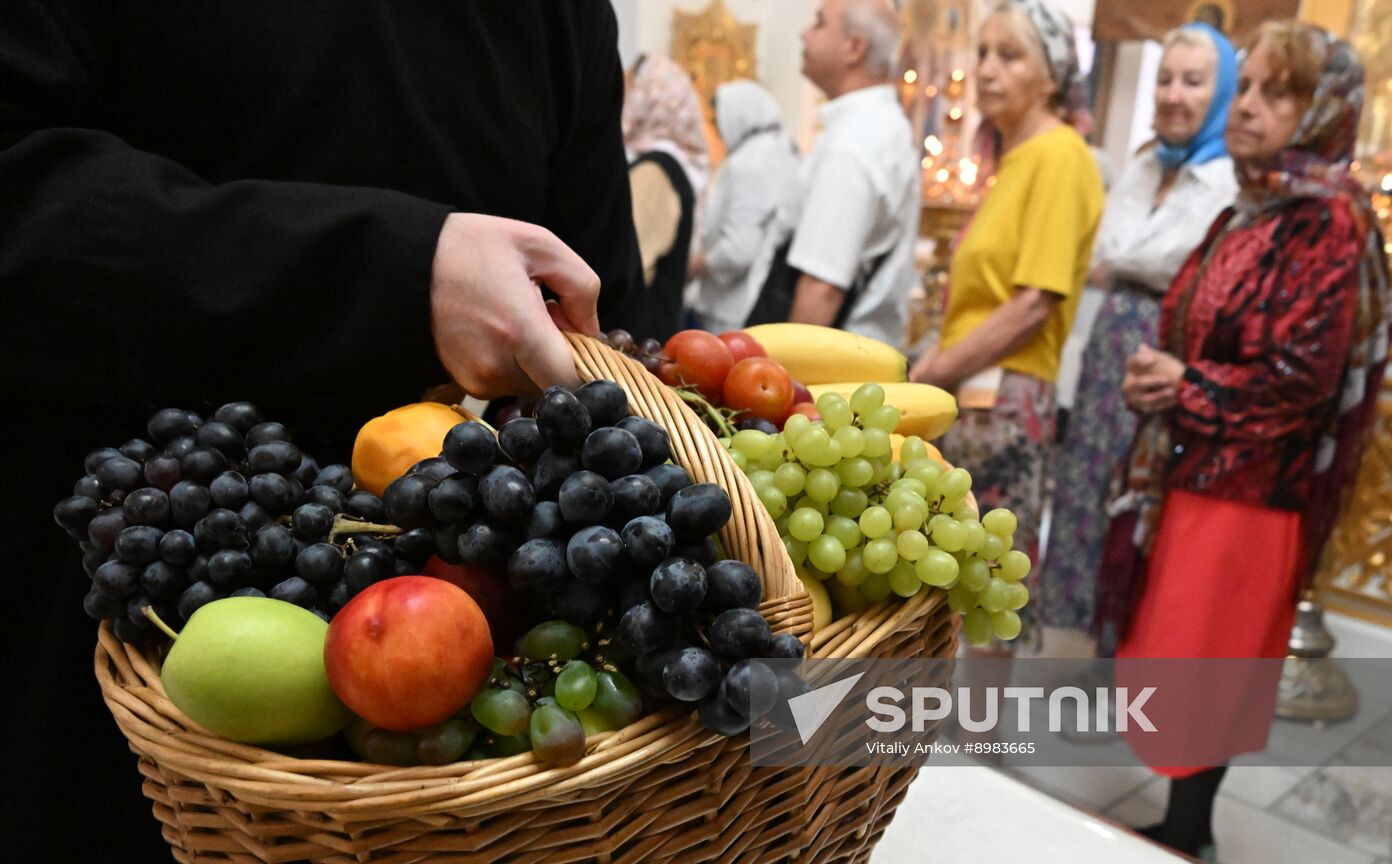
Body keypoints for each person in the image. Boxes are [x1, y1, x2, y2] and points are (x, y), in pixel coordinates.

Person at [0, 3, 642, 860]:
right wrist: (394, 275)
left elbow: (605, 322)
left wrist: (816, 734)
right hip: (120, 672)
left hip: (481, 744)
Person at [1109, 23, 1392, 857]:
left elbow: (1302, 381)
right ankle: (1183, 824)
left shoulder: (1328, 221)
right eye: (1251, 87)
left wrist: (1182, 386)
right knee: (1183, 661)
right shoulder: (1253, 204)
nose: (1250, 107)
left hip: (1252, 491)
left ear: (1325, 110)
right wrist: (1157, 379)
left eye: (1281, 92)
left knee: (1208, 665)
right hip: (1198, 469)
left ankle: (1190, 832)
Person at [1040, 23, 1239, 653]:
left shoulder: (1231, 182)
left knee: (1139, 502)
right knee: (1087, 489)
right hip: (1109, 347)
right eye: (1165, 78)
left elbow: (1143, 259)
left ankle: (1123, 659)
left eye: (1193, 81)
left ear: (1224, 91)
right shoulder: (1143, 164)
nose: (1174, 94)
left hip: (1173, 346)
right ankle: (1083, 643)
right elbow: (1114, 251)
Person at [909, 0, 1104, 616]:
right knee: (947, 581)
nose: (988, 70)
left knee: (988, 587)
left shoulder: (1059, 155)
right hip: (973, 393)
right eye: (983, 54)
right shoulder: (1015, 160)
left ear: (1052, 75)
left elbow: (1032, 305)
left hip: (1006, 401)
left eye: (1010, 55)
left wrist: (933, 373)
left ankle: (982, 718)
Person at [777, 0, 919, 347]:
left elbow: (821, 290)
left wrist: (778, 386)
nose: (804, 33)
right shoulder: (880, 126)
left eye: (819, 23)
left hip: (830, 362)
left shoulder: (855, 143)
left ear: (854, 47)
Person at [689, 80, 802, 334]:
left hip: (731, 308)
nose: (718, 131)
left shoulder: (750, 163)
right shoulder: (781, 149)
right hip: (755, 301)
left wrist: (693, 267)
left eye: (719, 121)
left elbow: (737, 250)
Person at [623, 54, 711, 341]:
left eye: (630, 88)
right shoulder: (671, 162)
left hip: (636, 347)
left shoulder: (655, 170)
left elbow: (626, 269)